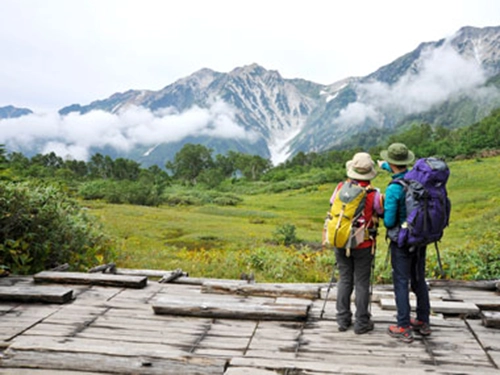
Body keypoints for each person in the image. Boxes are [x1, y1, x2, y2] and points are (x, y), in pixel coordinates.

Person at [379, 143, 432, 344]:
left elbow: (389, 221)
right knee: (419, 279)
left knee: (401, 281)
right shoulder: (418, 181)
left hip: (401, 242)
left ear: (392, 163)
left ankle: (403, 325)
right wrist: (386, 166)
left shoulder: (394, 189)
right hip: (420, 239)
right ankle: (423, 321)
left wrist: (383, 211)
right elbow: (400, 172)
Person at [328, 152, 383, 334]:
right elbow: (380, 212)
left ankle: (342, 320)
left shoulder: (340, 188)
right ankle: (361, 323)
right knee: (361, 282)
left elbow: (332, 206)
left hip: (341, 240)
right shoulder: (374, 194)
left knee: (344, 279)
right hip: (364, 244)